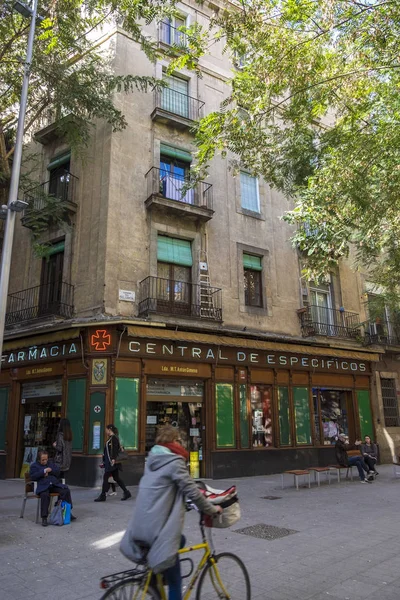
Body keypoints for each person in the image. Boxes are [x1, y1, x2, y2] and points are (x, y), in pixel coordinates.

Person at [120, 425, 222, 600]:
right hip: (157, 533)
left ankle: (155, 581)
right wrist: (212, 509)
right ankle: (161, 579)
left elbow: (165, 491)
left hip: (139, 527)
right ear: (173, 441)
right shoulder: (174, 462)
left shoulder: (152, 460)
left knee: (180, 540)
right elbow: (191, 490)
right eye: (178, 440)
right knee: (175, 581)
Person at [30, 449, 76, 527]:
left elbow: (57, 472)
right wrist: (43, 471)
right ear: (38, 459)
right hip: (43, 486)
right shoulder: (34, 466)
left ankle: (67, 512)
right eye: (43, 460)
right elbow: (33, 476)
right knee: (45, 495)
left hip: (54, 484)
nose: (45, 461)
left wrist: (50, 471)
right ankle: (44, 517)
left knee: (65, 490)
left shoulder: (50, 464)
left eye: (46, 459)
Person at [94, 424, 131, 502]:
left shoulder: (113, 438)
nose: (105, 431)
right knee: (116, 478)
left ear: (109, 430)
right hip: (110, 462)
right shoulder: (111, 438)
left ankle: (103, 495)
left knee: (106, 477)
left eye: (106, 430)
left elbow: (114, 450)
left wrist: (113, 459)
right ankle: (126, 492)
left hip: (111, 462)